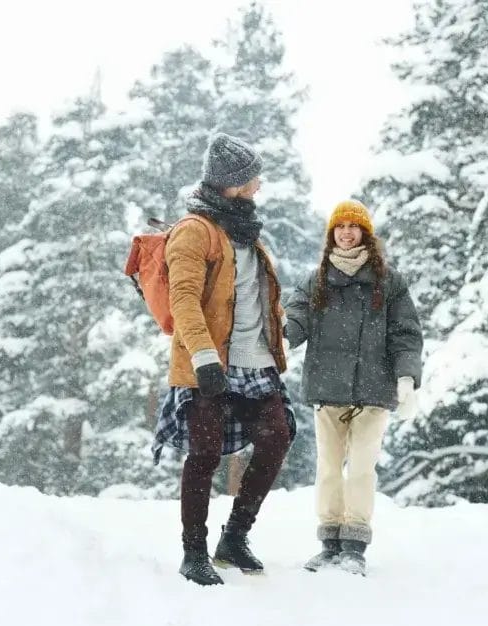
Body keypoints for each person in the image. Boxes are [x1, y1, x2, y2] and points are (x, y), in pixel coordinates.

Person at [153, 132, 295, 586]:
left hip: (256, 364)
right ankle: (193, 550)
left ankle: (234, 536)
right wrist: (203, 357)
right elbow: (185, 299)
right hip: (207, 363)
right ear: (232, 182)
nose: (259, 184)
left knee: (277, 436)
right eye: (253, 176)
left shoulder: (248, 233)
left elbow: (257, 301)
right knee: (205, 452)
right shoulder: (195, 230)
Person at [284, 199, 423, 575]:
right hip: (327, 390)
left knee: (361, 469)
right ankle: (329, 543)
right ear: (332, 234)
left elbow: (406, 334)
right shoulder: (316, 280)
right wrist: (285, 338)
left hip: (373, 392)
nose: (346, 233)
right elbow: (296, 314)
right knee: (329, 468)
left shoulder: (388, 282)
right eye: (340, 227)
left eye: (353, 227)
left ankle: (354, 546)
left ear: (365, 234)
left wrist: (406, 377)